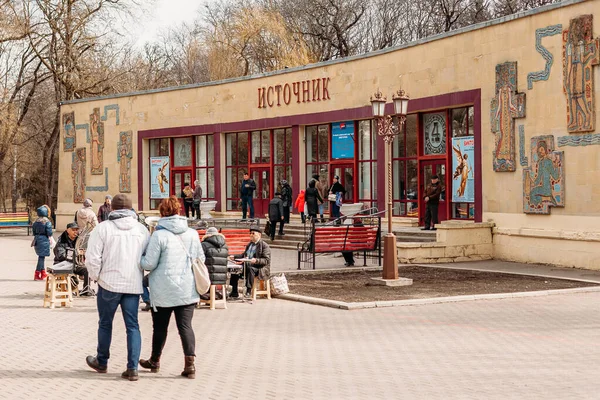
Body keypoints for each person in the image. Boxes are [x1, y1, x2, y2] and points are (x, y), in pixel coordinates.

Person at [85, 194, 151, 381]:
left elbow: (93, 257)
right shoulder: (142, 230)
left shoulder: (103, 228)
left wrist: (96, 276)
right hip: (132, 284)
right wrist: (141, 276)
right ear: (131, 209)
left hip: (109, 283)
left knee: (105, 323)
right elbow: (147, 258)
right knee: (133, 325)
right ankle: (132, 367)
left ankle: (102, 361)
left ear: (112, 209)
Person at [139, 196, 204, 379]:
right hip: (186, 289)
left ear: (162, 213)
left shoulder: (159, 235)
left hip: (163, 289)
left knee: (160, 327)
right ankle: (190, 365)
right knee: (185, 327)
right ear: (179, 211)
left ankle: (155, 360)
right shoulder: (191, 233)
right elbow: (200, 258)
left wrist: (140, 260)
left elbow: (149, 264)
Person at [53, 221, 94, 296]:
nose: (75, 232)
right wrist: (75, 253)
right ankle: (67, 288)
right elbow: (61, 255)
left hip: (74, 264)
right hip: (62, 264)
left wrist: (84, 253)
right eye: (73, 230)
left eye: (76, 230)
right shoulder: (62, 241)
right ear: (67, 230)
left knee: (87, 269)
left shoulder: (79, 240)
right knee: (73, 279)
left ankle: (86, 289)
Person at [229, 226, 271, 298]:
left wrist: (256, 260)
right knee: (235, 269)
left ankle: (248, 290)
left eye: (253, 233)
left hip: (260, 268)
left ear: (259, 235)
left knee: (251, 269)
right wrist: (234, 257)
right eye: (250, 233)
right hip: (247, 265)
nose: (251, 235)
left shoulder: (264, 246)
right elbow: (244, 255)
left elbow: (266, 260)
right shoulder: (250, 244)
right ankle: (234, 291)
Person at [200, 226, 228, 300]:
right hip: (222, 276)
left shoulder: (204, 244)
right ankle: (214, 295)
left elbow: (199, 259)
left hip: (208, 275)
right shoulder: (225, 245)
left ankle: (204, 297)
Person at [31, 205, 52, 281]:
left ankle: (43, 273)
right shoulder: (47, 222)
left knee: (41, 256)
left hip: (37, 239)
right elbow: (49, 232)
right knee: (41, 257)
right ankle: (37, 274)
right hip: (44, 240)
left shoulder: (36, 222)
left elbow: (33, 232)